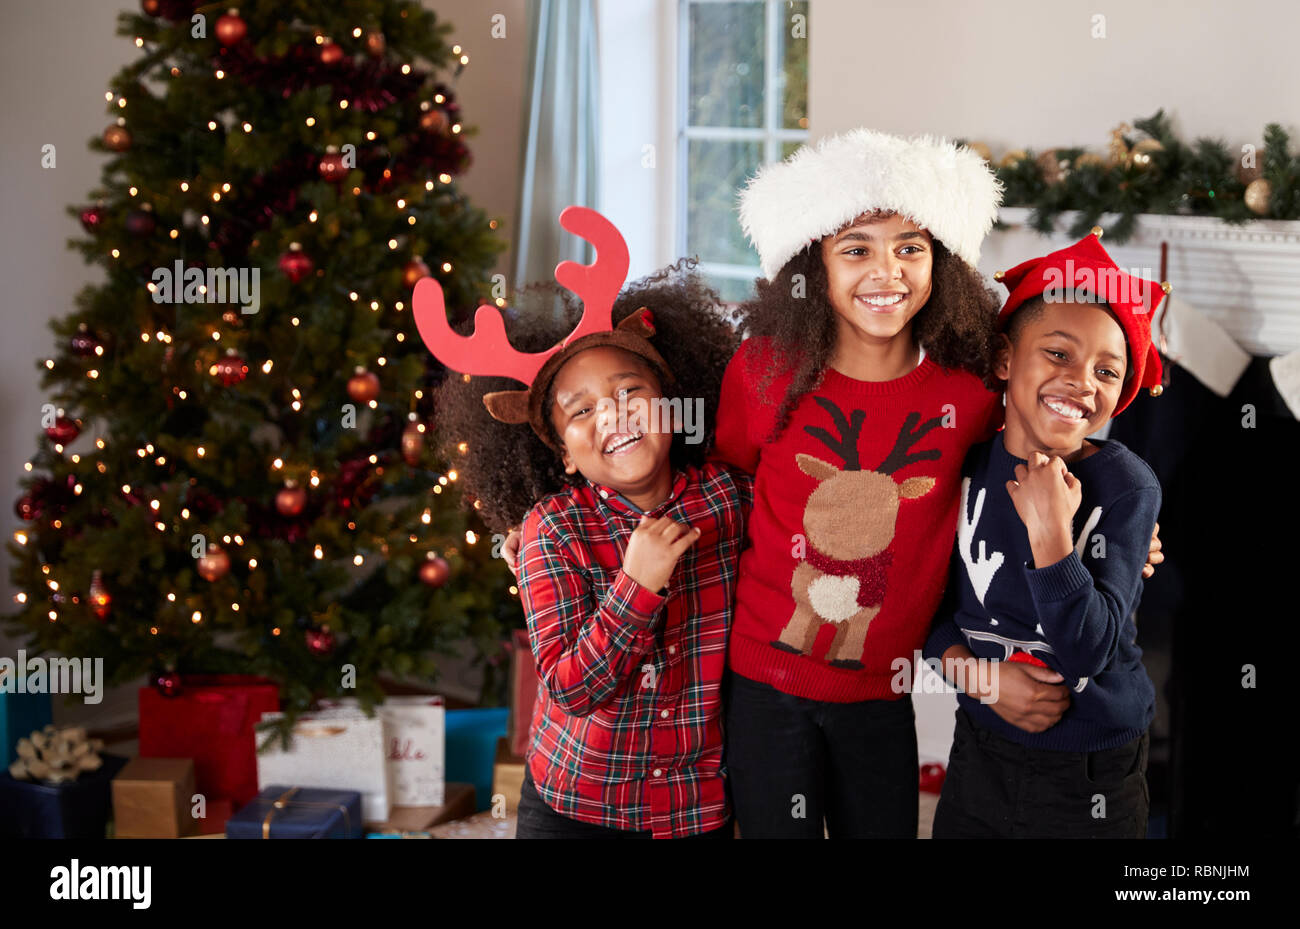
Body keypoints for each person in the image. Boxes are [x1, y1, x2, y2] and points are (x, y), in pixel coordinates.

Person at [421, 208, 750, 838]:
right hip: (577, 807)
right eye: (582, 411)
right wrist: (637, 585)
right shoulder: (554, 530)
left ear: (674, 407)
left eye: (630, 391)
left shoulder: (730, 498)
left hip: (694, 807)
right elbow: (570, 688)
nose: (615, 416)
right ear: (565, 455)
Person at [924, 228, 1166, 838]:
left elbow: (1091, 649)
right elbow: (921, 610)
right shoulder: (959, 465)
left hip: (1093, 768)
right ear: (1006, 358)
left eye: (1107, 371)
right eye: (1058, 354)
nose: (1082, 381)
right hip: (982, 744)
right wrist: (980, 678)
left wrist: (1053, 536)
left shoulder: (1126, 486)